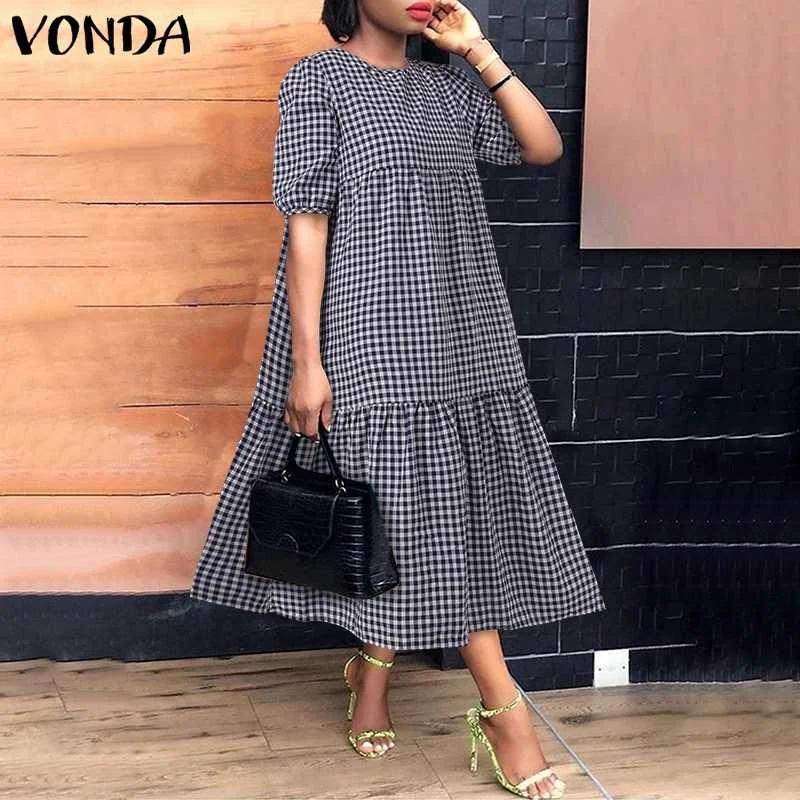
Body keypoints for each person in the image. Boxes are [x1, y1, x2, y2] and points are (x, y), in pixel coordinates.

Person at [190, 1, 606, 797]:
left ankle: (372, 672)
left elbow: (542, 146)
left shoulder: (446, 87)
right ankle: (505, 711)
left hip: (460, 326)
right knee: (416, 509)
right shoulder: (319, 80)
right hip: (365, 323)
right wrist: (307, 362)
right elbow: (307, 223)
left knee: (423, 513)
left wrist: (479, 50)